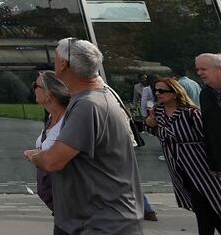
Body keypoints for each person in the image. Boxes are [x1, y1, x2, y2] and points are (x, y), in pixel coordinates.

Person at [25, 38, 143, 234]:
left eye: (55, 58)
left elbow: (53, 162)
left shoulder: (88, 105)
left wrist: (34, 155)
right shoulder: (95, 97)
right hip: (93, 219)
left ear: (63, 64)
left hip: (99, 223)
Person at [146, 77, 221, 235]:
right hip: (180, 169)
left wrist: (216, 164)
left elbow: (210, 139)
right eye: (155, 90)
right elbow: (160, 135)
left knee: (218, 206)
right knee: (200, 208)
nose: (158, 93)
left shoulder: (191, 113)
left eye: (162, 90)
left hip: (201, 167)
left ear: (175, 93)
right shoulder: (157, 113)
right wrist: (150, 125)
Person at [27, 70, 70, 213]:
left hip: (68, 200)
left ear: (49, 94)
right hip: (57, 201)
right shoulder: (52, 117)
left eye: (36, 86)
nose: (33, 88)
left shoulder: (68, 121)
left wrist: (36, 156)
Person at [195, 53, 221, 181]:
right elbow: (208, 129)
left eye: (203, 69)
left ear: (220, 69)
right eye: (197, 69)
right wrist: (213, 163)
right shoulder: (205, 94)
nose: (199, 73)